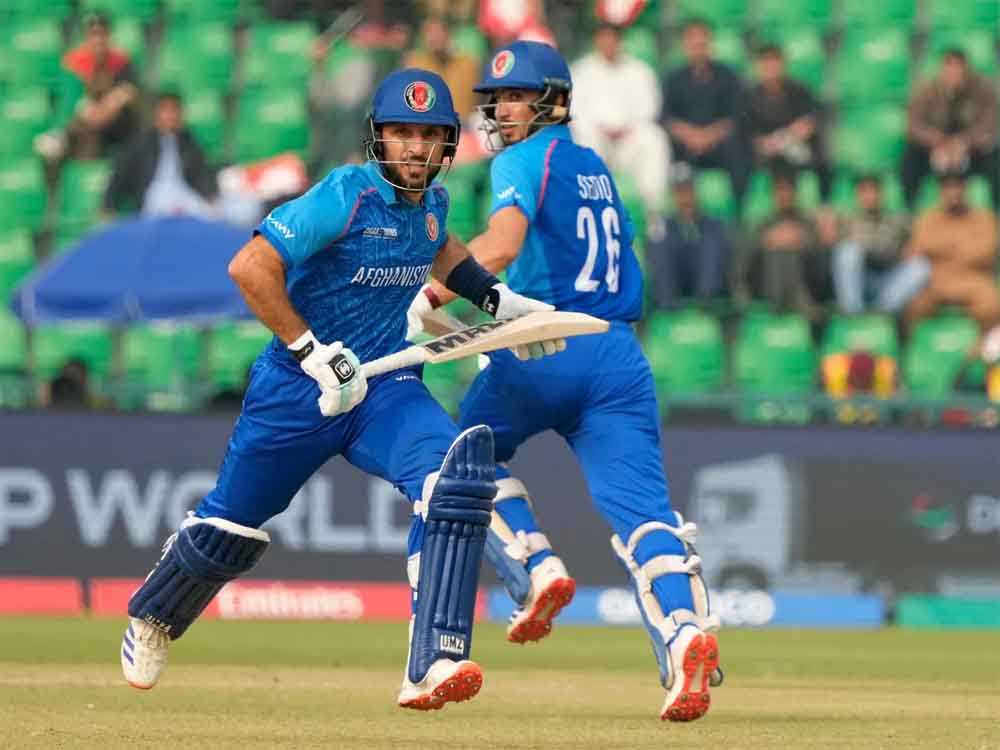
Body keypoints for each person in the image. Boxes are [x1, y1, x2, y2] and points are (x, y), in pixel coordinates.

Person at [118, 69, 566, 711]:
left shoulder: (432, 204)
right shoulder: (343, 195)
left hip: (385, 388)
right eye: (403, 132)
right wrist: (312, 352)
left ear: (447, 144)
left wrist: (499, 301)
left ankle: (434, 660)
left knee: (453, 480)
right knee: (231, 526)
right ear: (378, 136)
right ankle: (154, 615)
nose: (416, 147)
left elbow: (440, 248)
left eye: (429, 135)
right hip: (299, 389)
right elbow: (250, 267)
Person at [408, 41, 722, 722]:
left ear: (551, 102)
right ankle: (686, 632)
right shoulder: (598, 168)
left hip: (543, 344)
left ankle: (534, 566)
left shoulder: (522, 159)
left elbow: (501, 246)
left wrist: (430, 295)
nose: (502, 111)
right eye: (496, 100)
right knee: (646, 514)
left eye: (516, 98)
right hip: (617, 354)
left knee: (459, 462)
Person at [570, 22, 671, 228]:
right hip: (596, 138)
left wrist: (627, 127)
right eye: (604, 38)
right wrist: (601, 128)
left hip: (629, 139)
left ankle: (653, 213)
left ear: (620, 41)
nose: (608, 43)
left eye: (613, 38)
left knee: (654, 138)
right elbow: (574, 111)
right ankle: (590, 211)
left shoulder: (640, 70)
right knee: (583, 137)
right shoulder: (581, 71)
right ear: (597, 41)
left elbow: (650, 109)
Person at [663, 18, 750, 209]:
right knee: (661, 147)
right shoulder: (673, 78)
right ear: (684, 46)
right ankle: (674, 214)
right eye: (692, 43)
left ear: (710, 44)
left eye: (702, 43)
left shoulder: (728, 76)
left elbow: (736, 115)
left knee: (739, 148)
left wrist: (709, 136)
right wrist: (690, 135)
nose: (698, 48)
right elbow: (666, 116)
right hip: (685, 145)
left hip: (718, 143)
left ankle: (739, 209)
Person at [35, 11, 140, 162]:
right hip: (82, 125)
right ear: (86, 36)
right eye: (93, 34)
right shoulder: (73, 62)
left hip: (114, 124)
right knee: (55, 143)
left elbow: (128, 90)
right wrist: (87, 109)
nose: (98, 39)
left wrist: (109, 105)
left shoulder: (121, 61)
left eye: (102, 33)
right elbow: (71, 98)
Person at [902, 48, 999, 210]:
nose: (954, 72)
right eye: (950, 67)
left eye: (958, 67)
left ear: (966, 69)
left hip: (971, 150)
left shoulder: (983, 89)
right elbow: (913, 124)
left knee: (995, 158)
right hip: (934, 148)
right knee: (910, 156)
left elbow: (991, 124)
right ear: (942, 69)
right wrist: (933, 139)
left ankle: (996, 208)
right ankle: (909, 206)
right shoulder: (926, 90)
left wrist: (966, 142)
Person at [904, 170, 1000, 332]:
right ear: (941, 192)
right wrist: (957, 247)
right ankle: (915, 347)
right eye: (948, 187)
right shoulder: (927, 218)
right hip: (934, 281)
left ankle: (981, 347)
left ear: (965, 190)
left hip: (973, 279)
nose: (953, 192)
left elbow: (985, 253)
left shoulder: (985, 218)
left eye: (957, 187)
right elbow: (916, 250)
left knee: (992, 305)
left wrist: (940, 250)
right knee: (912, 305)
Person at [104, 91, 217, 218]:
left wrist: (209, 194)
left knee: (209, 213)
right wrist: (108, 205)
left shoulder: (189, 142)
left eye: (174, 110)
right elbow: (121, 173)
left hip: (183, 192)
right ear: (156, 114)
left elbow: (201, 174)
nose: (170, 116)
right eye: (165, 110)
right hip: (154, 193)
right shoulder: (141, 142)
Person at [831, 174, 927, 316]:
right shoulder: (847, 221)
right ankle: (851, 310)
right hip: (862, 279)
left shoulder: (896, 220)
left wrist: (911, 247)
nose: (870, 196)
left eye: (874, 191)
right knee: (847, 251)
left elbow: (918, 236)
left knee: (920, 266)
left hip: (888, 278)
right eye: (864, 191)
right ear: (858, 195)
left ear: (881, 194)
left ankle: (884, 310)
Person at [749, 43, 831, 202]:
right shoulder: (750, 95)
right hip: (765, 153)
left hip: (794, 145)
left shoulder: (799, 91)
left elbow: (810, 120)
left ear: (783, 63)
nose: (771, 67)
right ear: (758, 66)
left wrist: (786, 138)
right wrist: (763, 143)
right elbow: (747, 129)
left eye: (775, 61)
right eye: (766, 62)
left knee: (822, 160)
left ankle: (823, 204)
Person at [646, 162, 731, 308]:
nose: (685, 198)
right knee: (658, 242)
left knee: (712, 243)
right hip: (676, 281)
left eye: (688, 191)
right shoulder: (663, 226)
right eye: (679, 192)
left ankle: (705, 303)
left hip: (707, 286)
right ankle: (667, 304)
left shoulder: (713, 224)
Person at [403, 16, 481, 120]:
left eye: (439, 33)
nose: (435, 38)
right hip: (429, 122)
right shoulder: (415, 65)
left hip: (465, 123)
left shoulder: (468, 65)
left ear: (448, 35)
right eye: (430, 33)